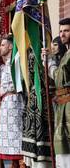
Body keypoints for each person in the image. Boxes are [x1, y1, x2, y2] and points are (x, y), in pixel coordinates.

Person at [42, 18, 70, 168]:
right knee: (62, 144)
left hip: (68, 106)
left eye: (66, 31)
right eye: (61, 31)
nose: (62, 34)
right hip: (63, 105)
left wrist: (50, 63)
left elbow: (60, 78)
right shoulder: (67, 54)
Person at [0, 35, 25, 167]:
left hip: (14, 101)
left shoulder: (16, 61)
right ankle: (14, 163)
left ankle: (21, 162)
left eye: (3, 45)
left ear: (10, 46)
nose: (0, 48)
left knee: (16, 134)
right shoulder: (3, 65)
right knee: (7, 136)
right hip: (5, 103)